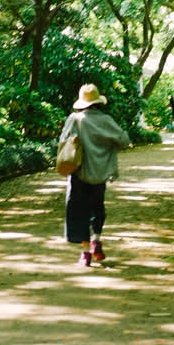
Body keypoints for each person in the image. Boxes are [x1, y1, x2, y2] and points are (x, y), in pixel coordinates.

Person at [58, 82, 130, 267]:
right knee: (97, 208)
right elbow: (124, 140)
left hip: (79, 172)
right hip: (100, 172)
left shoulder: (74, 119)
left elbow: (63, 141)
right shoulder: (106, 120)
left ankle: (85, 253)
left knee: (78, 210)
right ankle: (96, 240)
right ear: (98, 102)